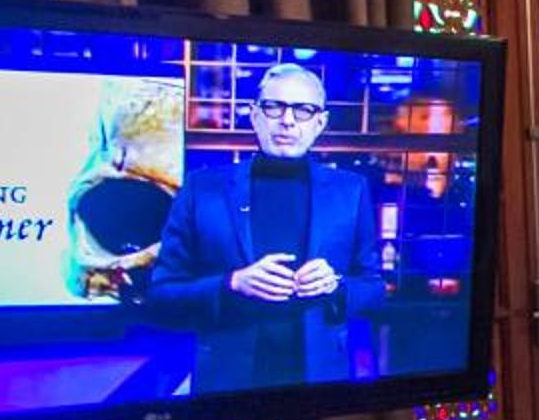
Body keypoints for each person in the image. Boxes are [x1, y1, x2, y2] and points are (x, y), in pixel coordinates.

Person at [152, 61, 385, 392]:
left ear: (320, 122)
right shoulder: (202, 188)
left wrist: (336, 286)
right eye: (275, 107)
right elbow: (162, 295)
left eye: (303, 110)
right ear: (255, 114)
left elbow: (374, 290)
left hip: (321, 382)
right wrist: (231, 284)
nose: (287, 120)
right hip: (227, 384)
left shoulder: (351, 190)